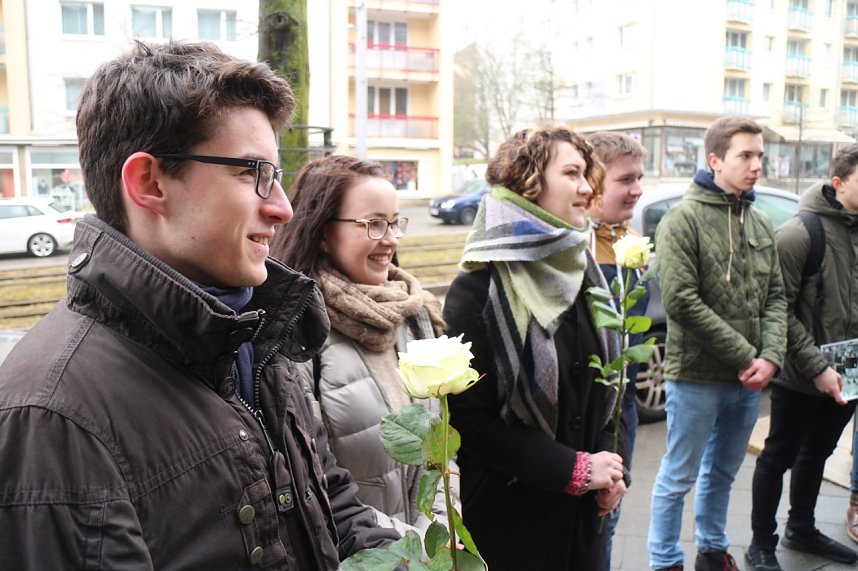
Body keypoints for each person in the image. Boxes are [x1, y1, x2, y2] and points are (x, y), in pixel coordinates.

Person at [0, 40, 399, 568]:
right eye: (251, 173)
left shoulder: (254, 332)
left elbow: (330, 507)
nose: (281, 208)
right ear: (149, 182)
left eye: (276, 176)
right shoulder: (53, 417)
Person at [443, 125, 628, 571]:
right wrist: (575, 469)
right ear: (528, 181)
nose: (586, 188)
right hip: (512, 523)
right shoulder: (478, 288)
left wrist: (611, 470)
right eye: (572, 173)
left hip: (582, 523)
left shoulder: (587, 274)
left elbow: (608, 387)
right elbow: (469, 419)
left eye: (587, 174)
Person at [269, 155, 453, 536]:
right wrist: (405, 550)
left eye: (394, 222)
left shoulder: (413, 313)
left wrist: (439, 537)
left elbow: (442, 453)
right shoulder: (295, 332)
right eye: (374, 224)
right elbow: (312, 485)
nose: (391, 239)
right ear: (322, 231)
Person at [647, 116, 787, 571]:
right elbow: (682, 302)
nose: (756, 165)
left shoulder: (761, 221)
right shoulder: (681, 220)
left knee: (723, 474)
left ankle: (712, 549)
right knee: (678, 475)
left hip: (747, 381)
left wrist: (770, 357)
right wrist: (751, 357)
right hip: (697, 377)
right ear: (715, 160)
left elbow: (776, 297)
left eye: (760, 155)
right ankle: (665, 559)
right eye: (745, 155)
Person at [747, 144, 858, 570]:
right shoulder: (798, 234)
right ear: (838, 183)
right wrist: (817, 368)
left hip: (849, 371)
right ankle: (761, 543)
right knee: (778, 456)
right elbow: (777, 310)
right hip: (800, 372)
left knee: (819, 454)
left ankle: (802, 528)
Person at [586, 131, 650, 570]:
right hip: (583, 404)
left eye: (640, 178)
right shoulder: (574, 247)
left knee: (611, 511)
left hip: (621, 404)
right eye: (626, 180)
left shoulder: (630, 241)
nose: (638, 190)